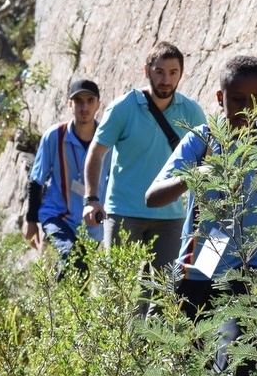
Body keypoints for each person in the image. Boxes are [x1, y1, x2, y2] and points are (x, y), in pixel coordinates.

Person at [145, 55, 257, 376]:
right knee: (195, 367)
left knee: (242, 369)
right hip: (199, 272)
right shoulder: (201, 141)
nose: (247, 109)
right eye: (237, 99)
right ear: (220, 98)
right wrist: (195, 174)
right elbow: (153, 197)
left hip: (251, 274)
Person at [82, 42, 207, 285]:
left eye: (173, 73)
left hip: (171, 217)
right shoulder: (123, 108)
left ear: (181, 73)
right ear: (146, 70)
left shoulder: (192, 111)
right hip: (124, 213)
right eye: (159, 72)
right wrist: (91, 200)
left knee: (166, 293)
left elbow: (206, 159)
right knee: (120, 293)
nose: (166, 80)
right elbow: (96, 153)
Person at [24, 78, 108, 280]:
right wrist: (31, 220)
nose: (84, 107)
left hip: (90, 224)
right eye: (78, 101)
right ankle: (60, 308)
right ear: (70, 104)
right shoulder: (54, 136)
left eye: (90, 100)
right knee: (69, 255)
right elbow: (36, 179)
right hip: (56, 214)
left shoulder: (107, 140)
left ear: (98, 104)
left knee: (80, 280)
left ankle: (60, 309)